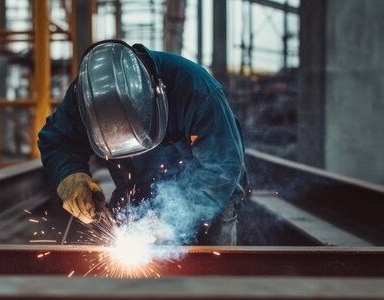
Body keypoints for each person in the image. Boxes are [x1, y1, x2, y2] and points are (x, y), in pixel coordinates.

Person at [38, 40, 247, 245]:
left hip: (211, 196)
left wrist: (171, 220)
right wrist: (72, 178)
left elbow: (220, 169)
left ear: (157, 96)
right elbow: (58, 141)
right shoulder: (85, 97)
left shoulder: (195, 89)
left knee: (212, 272)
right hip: (135, 190)